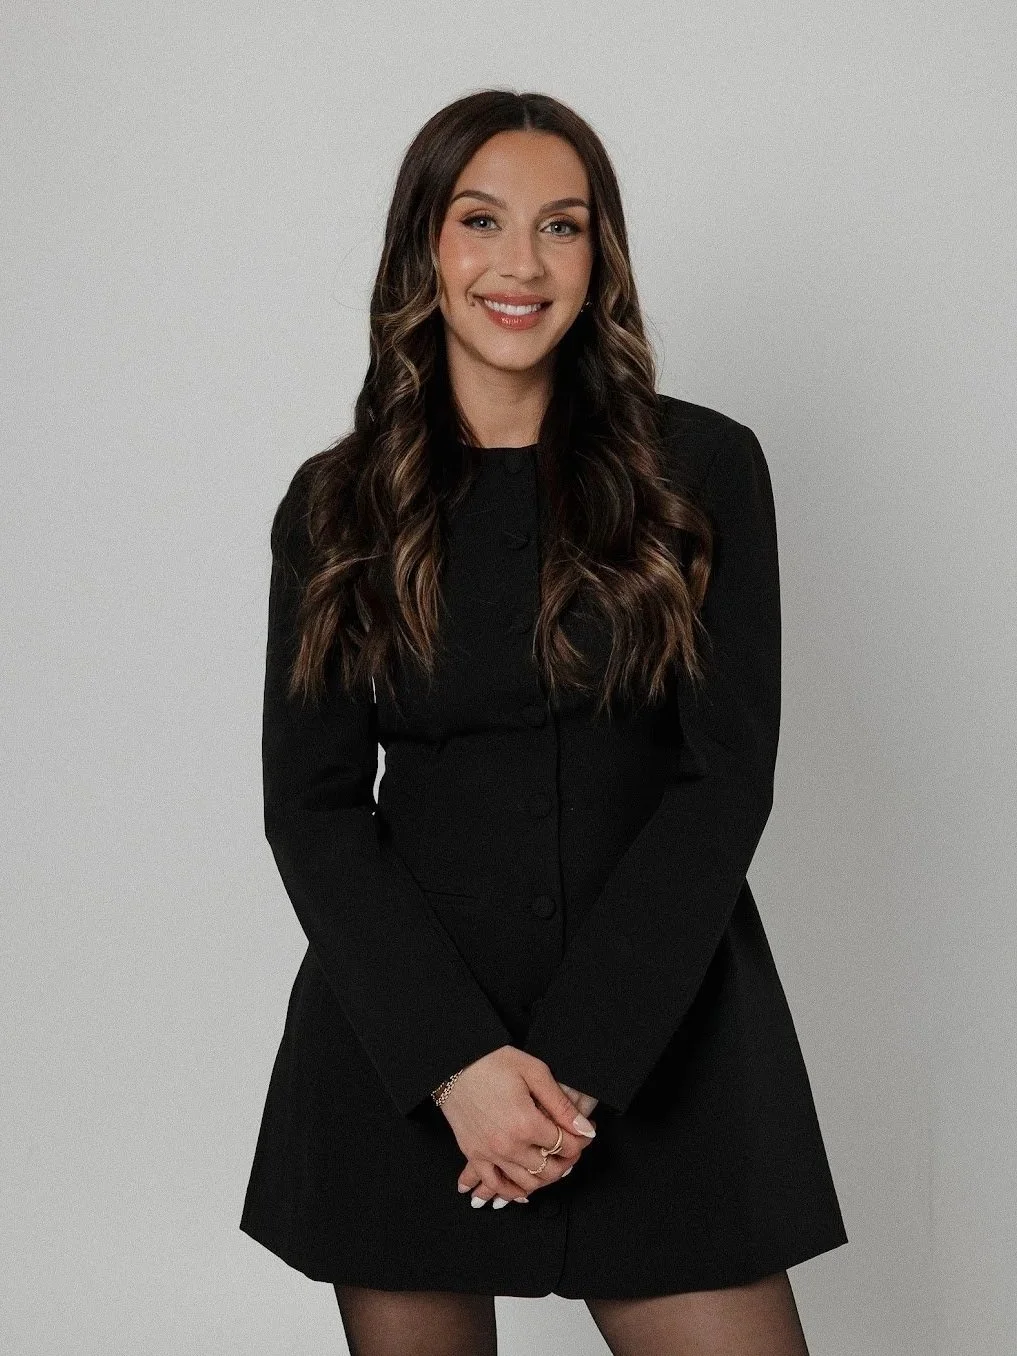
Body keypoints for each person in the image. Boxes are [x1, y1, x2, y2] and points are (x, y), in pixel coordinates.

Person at [239, 89, 848, 1356]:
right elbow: (311, 807)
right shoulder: (337, 504)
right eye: (483, 221)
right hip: (406, 1060)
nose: (521, 264)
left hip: (660, 1045)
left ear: (599, 258)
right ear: (426, 250)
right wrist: (458, 1065)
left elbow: (725, 779)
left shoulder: (704, 471)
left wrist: (570, 1070)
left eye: (562, 227)